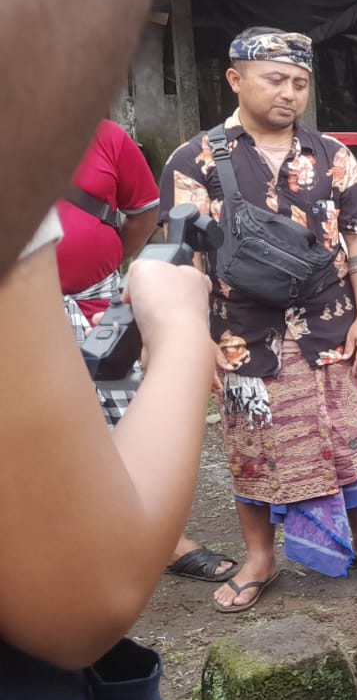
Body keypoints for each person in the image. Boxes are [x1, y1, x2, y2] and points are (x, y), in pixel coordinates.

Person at [0, 0, 212, 700]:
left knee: (108, 421)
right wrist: (183, 331)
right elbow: (85, 595)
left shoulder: (113, 142)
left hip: (90, 303)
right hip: (72, 315)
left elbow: (138, 215)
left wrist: (121, 280)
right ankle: (154, 522)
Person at [160, 28, 357, 614]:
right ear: (235, 79)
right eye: (276, 80)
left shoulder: (332, 155)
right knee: (252, 447)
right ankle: (260, 557)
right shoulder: (195, 160)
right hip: (241, 334)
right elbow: (183, 258)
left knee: (348, 437)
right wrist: (198, 338)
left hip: (331, 326)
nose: (289, 93)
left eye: (300, 83)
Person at [59, 120, 240, 585]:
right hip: (18, 307)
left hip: (100, 298)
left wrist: (105, 259)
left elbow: (141, 214)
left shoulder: (104, 135)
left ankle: (163, 537)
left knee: (132, 410)